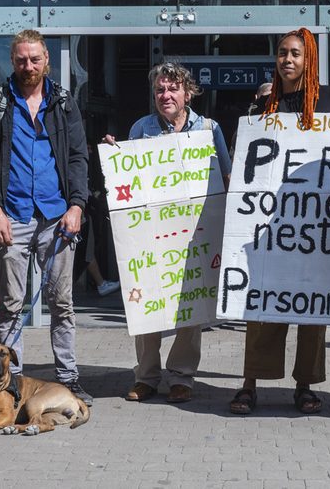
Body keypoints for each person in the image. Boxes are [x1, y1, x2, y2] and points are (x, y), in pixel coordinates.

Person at [228, 26, 330, 416]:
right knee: (261, 305)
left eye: (296, 54)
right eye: (283, 53)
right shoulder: (265, 101)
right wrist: (256, 108)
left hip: (314, 225)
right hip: (268, 226)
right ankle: (250, 383)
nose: (288, 60)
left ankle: (304, 386)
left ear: (310, 59)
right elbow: (243, 156)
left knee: (311, 307)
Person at [0, 29, 93, 405]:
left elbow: (78, 157)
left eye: (35, 59)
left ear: (47, 61)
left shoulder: (63, 101)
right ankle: (11, 383)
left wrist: (77, 206)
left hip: (57, 215)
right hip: (13, 215)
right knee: (10, 304)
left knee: (62, 302)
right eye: (21, 60)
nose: (28, 66)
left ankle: (68, 378)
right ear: (13, 61)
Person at [106, 61, 231, 404]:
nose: (165, 95)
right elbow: (128, 180)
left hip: (194, 234)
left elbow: (225, 176)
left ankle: (182, 377)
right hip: (150, 234)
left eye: (172, 88)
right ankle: (146, 376)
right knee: (146, 303)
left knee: (190, 306)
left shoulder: (209, 128)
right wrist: (115, 159)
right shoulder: (141, 128)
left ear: (187, 92)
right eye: (160, 89)